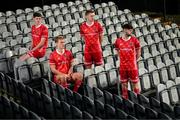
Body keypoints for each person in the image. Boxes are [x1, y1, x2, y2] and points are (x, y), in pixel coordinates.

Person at [114, 24, 141, 99]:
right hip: (123, 67)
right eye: (129, 29)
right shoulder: (118, 41)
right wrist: (123, 59)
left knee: (135, 84)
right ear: (124, 30)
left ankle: (137, 100)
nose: (131, 31)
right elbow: (117, 52)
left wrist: (134, 60)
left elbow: (139, 51)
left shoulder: (134, 40)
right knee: (124, 84)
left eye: (131, 30)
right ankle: (125, 100)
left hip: (132, 67)